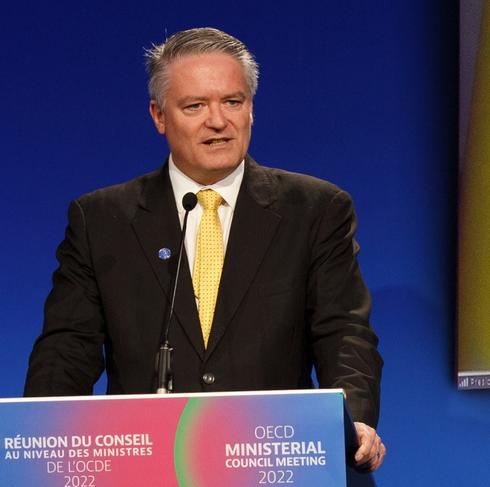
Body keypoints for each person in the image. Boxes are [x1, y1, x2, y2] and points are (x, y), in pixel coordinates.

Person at [24, 27, 385, 471]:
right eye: (195, 106)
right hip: (148, 466)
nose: (218, 121)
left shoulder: (315, 209)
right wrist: (41, 438)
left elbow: (343, 331)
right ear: (159, 116)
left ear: (251, 109)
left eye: (233, 102)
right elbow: (68, 348)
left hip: (272, 460)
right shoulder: (101, 219)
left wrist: (355, 419)